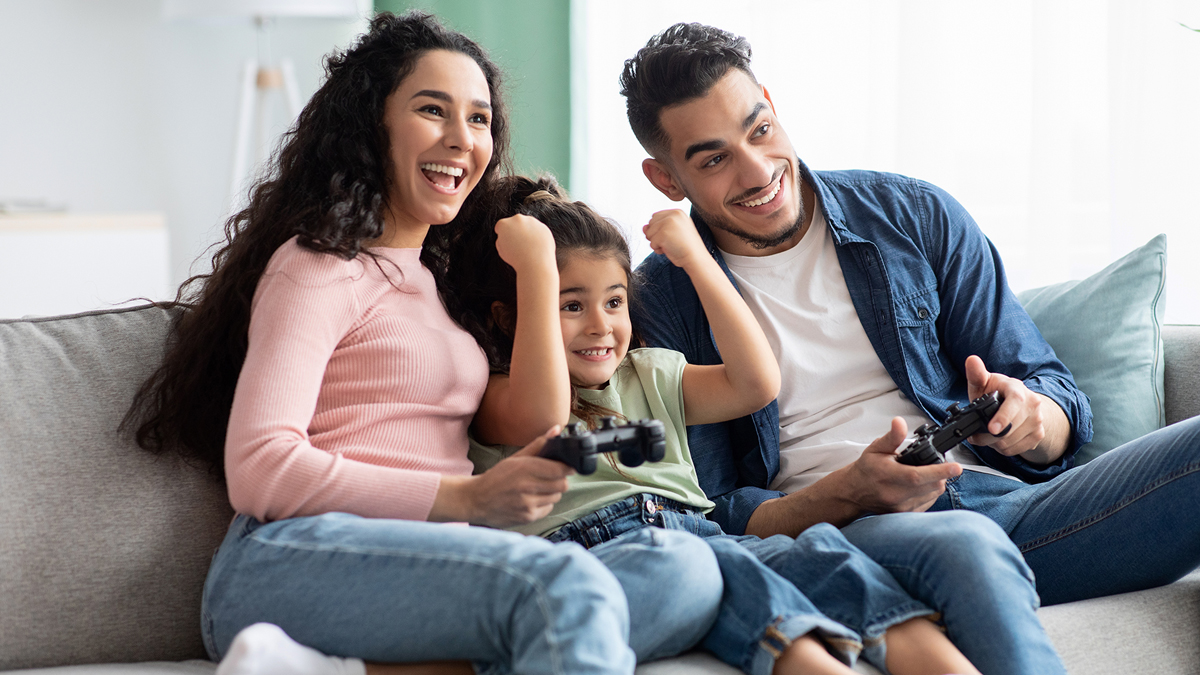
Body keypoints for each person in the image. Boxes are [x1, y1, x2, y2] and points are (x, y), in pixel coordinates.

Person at [124, 12, 726, 675]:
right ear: (372, 121)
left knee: (685, 571)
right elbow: (260, 468)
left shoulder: (442, 282)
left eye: (478, 119)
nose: (461, 138)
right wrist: (466, 499)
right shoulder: (319, 265)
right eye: (432, 110)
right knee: (566, 587)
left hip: (425, 563)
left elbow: (536, 416)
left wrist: (540, 269)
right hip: (291, 555)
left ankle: (345, 669)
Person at [620, 20, 1200, 618]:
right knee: (964, 543)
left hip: (1009, 507)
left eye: (760, 131)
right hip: (849, 536)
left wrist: (1031, 420)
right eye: (715, 160)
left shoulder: (913, 214)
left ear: (771, 105)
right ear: (665, 178)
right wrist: (846, 494)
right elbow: (704, 510)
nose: (758, 171)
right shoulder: (659, 304)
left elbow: (1055, 397)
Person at [448, 172, 1060, 675]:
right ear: (512, 317)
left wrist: (694, 258)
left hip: (696, 534)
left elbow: (755, 382)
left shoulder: (648, 377)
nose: (601, 326)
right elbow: (547, 414)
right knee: (733, 569)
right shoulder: (501, 398)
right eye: (570, 305)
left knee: (822, 553)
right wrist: (534, 269)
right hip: (600, 555)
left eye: (614, 301)